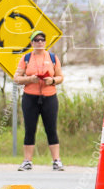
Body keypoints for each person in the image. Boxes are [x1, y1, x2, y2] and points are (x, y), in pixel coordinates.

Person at [14, 29, 65, 171]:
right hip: (30, 97)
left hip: (49, 97)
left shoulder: (53, 57)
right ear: (32, 42)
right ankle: (27, 161)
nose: (40, 42)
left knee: (51, 128)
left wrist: (52, 80)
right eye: (36, 40)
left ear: (45, 42)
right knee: (30, 128)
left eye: (42, 40)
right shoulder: (26, 58)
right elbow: (17, 78)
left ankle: (56, 160)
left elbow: (61, 77)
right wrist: (30, 79)